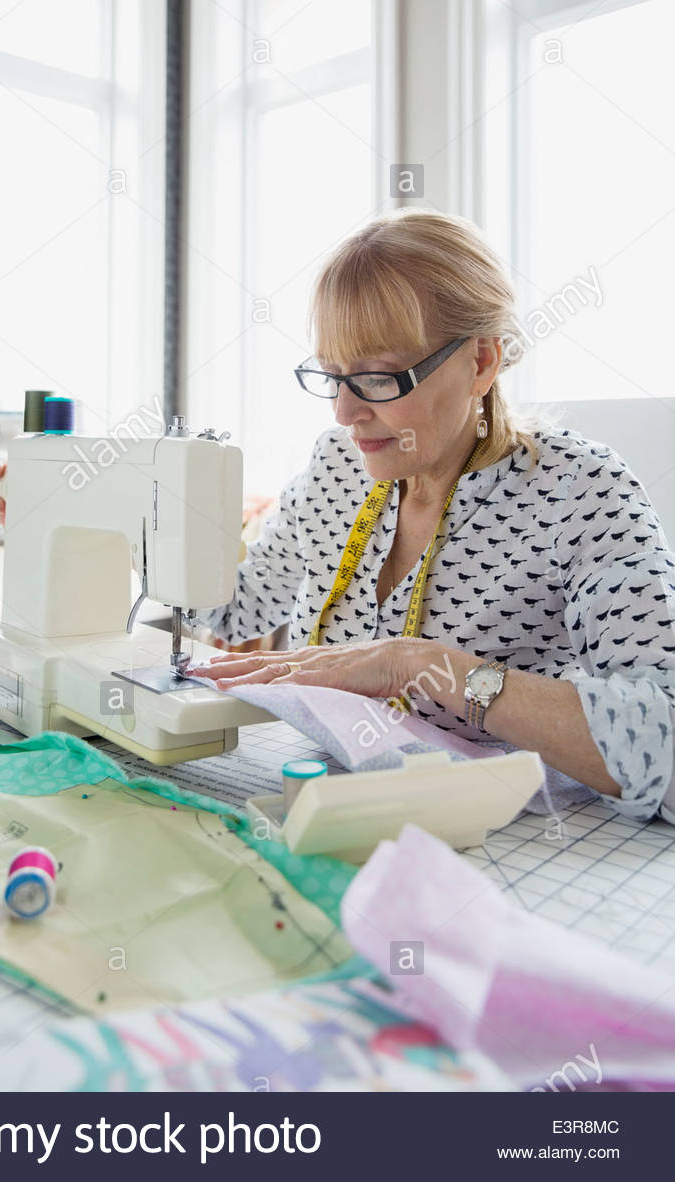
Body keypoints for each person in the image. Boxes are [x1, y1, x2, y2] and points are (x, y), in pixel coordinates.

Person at [185, 210, 675, 824]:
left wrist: (423, 665)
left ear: (482, 362)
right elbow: (240, 610)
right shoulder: (339, 465)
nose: (343, 412)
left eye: (377, 377)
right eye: (332, 375)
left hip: (500, 844)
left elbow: (665, 739)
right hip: (334, 817)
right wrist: (155, 525)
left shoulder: (582, 494)